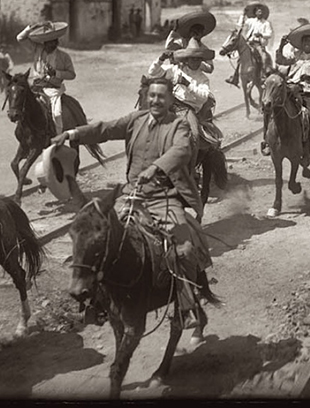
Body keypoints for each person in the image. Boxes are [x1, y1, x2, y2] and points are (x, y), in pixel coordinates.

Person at [51, 77, 212, 329]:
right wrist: (71, 134)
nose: (156, 100)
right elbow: (105, 128)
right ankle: (95, 305)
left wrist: (157, 168)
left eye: (161, 97)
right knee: (98, 239)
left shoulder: (178, 125)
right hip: (130, 196)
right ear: (147, 97)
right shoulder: (136, 119)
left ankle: (188, 307)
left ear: (171, 100)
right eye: (152, 96)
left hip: (163, 198)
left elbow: (182, 151)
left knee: (184, 250)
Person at [263, 23, 310, 162]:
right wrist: (281, 46)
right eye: (305, 41)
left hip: (306, 91)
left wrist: (309, 77)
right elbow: (280, 60)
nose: (307, 43)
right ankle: (267, 141)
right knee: (268, 107)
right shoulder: (297, 56)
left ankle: (307, 149)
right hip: (290, 88)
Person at [148, 38, 219, 172]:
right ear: (186, 59)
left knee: (195, 135)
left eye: (198, 59)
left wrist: (188, 84)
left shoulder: (203, 78)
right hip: (170, 104)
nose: (196, 62)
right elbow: (153, 73)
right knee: (148, 127)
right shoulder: (175, 70)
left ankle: (190, 170)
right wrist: (161, 59)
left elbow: (203, 97)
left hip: (187, 109)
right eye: (193, 59)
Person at [17, 21, 76, 134]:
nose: (47, 45)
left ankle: (57, 138)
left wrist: (56, 73)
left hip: (53, 90)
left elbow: (72, 74)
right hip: (36, 87)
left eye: (50, 43)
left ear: (56, 43)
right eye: (46, 43)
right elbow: (20, 38)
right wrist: (29, 28)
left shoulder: (64, 57)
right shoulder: (37, 49)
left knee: (57, 114)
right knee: (20, 106)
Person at [226, 3, 273, 87]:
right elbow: (240, 25)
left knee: (264, 57)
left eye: (261, 12)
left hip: (258, 44)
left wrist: (261, 35)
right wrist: (243, 15)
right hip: (249, 43)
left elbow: (269, 34)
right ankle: (235, 77)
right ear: (255, 13)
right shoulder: (251, 21)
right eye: (258, 12)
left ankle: (263, 76)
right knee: (240, 58)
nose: (260, 13)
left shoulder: (266, 23)